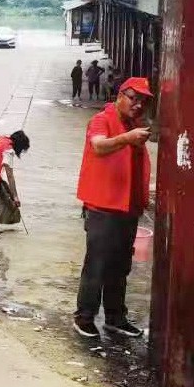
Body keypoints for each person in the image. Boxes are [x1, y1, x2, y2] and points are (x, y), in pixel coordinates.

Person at [73, 77, 153, 339]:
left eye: (143, 100)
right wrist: (127, 138)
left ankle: (115, 317)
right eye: (133, 98)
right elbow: (98, 146)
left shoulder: (134, 125)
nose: (138, 104)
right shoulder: (102, 120)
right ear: (120, 95)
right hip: (103, 208)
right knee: (97, 265)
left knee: (120, 266)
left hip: (127, 208)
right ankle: (84, 317)